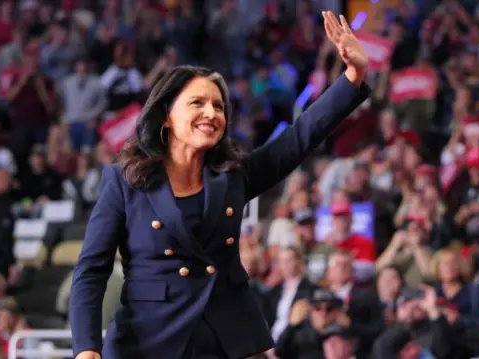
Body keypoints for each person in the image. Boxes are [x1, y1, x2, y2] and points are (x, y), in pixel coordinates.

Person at [69, 11, 370, 359]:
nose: (211, 113)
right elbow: (90, 272)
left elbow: (300, 137)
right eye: (197, 103)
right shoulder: (124, 181)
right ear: (166, 115)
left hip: (228, 340)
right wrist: (86, 349)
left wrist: (353, 76)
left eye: (218, 106)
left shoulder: (233, 175)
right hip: (148, 339)